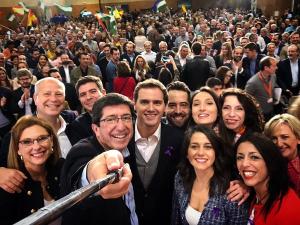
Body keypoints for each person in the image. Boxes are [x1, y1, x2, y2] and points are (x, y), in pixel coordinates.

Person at [61, 93, 137, 225]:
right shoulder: (82, 150)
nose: (121, 126)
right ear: (96, 129)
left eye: (126, 118)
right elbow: (82, 174)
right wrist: (95, 178)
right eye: (111, 119)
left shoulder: (130, 146)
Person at [130, 78, 184, 225]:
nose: (151, 108)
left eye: (157, 103)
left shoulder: (178, 139)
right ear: (134, 104)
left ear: (165, 107)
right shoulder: (122, 137)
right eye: (144, 102)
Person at [171, 125, 249, 225]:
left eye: (208, 147)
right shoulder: (180, 178)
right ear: (187, 153)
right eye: (194, 146)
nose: (200, 153)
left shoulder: (232, 192)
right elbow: (175, 219)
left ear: (215, 152)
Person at [0, 116, 64, 225]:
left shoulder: (62, 168)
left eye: (42, 138)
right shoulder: (9, 186)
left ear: (51, 141)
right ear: (17, 149)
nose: (36, 146)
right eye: (27, 142)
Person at [235, 133, 300, 225]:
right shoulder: (256, 194)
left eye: (254, 157)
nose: (244, 164)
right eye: (240, 157)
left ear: (271, 162)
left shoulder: (287, 209)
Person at [264, 114, 300, 196]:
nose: (279, 144)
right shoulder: (266, 167)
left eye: (284, 137)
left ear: (298, 138)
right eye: (274, 139)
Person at [68, 76, 106, 144]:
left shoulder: (122, 114)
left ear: (103, 93)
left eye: (93, 91)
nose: (88, 97)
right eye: (83, 95)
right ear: (79, 99)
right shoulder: (77, 126)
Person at [245, 56, 278, 121]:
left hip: (271, 110)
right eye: (274, 66)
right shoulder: (252, 82)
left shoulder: (273, 76)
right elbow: (245, 99)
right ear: (266, 68)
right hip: (259, 115)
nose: (277, 68)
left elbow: (272, 87)